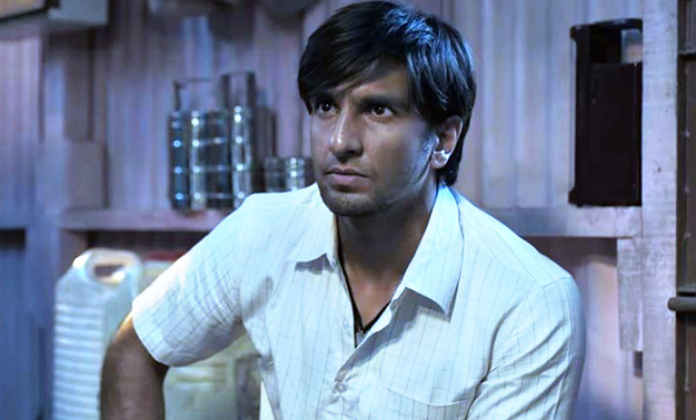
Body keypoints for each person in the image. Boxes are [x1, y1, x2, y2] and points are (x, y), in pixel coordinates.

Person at [100, 1, 586, 419]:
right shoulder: (263, 229)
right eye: (325, 107)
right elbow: (136, 347)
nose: (339, 141)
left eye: (378, 110)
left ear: (443, 139)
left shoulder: (530, 302)